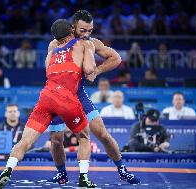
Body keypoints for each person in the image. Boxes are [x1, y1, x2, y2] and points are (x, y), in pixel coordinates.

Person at [0, 19, 97, 189]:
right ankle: (83, 178)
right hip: (67, 99)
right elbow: (90, 70)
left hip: (46, 98)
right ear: (72, 30)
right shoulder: (82, 44)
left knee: (25, 140)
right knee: (84, 137)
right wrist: (89, 52)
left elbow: (49, 70)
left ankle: (7, 171)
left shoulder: (52, 50)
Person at [47, 10, 140, 185]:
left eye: (90, 30)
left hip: (79, 95)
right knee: (56, 139)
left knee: (102, 134)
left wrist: (97, 71)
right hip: (59, 96)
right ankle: (61, 173)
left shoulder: (91, 43)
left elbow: (116, 58)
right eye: (83, 30)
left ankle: (122, 169)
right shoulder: (56, 44)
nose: (87, 34)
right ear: (73, 27)